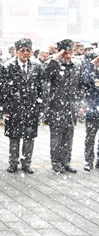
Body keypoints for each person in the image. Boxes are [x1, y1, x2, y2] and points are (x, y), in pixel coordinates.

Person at [0, 38, 43, 174]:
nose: (25, 53)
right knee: (14, 136)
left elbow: (40, 88)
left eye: (27, 50)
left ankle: (26, 163)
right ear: (16, 51)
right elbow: (3, 90)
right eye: (22, 50)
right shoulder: (7, 66)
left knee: (29, 137)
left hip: (31, 107)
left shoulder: (36, 66)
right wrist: (5, 108)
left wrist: (39, 106)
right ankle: (13, 163)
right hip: (14, 107)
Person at [45, 39, 82, 173]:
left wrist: (80, 105)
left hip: (70, 109)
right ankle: (56, 163)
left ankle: (66, 162)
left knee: (68, 138)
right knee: (56, 140)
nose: (68, 56)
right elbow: (46, 73)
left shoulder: (75, 66)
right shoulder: (54, 65)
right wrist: (56, 57)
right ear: (60, 53)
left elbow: (79, 88)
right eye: (65, 53)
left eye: (70, 52)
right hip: (56, 109)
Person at [82, 52, 99, 171]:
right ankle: (88, 161)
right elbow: (85, 80)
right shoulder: (90, 72)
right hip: (92, 111)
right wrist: (91, 65)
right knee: (90, 139)